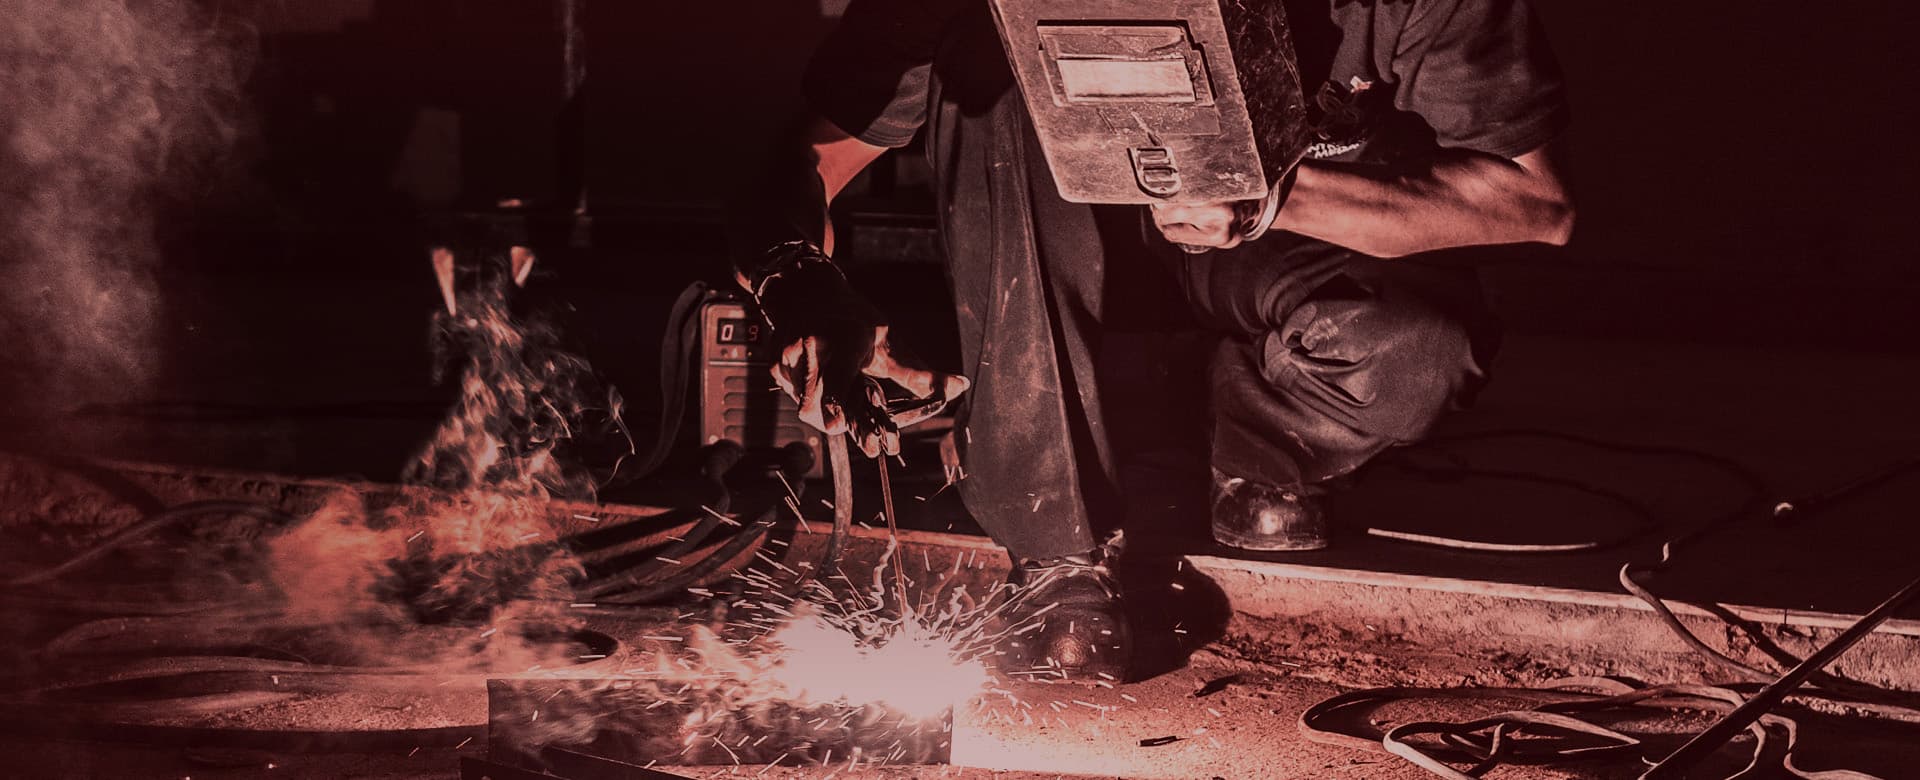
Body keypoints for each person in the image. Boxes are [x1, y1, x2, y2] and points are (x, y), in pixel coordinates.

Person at [735, 0, 1573, 680]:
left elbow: (1534, 202)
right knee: (983, 58)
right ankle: (1057, 548)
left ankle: (1240, 441)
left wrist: (1268, 202)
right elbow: (800, 164)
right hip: (1073, 249)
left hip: (1288, 253)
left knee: (1412, 356)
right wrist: (801, 286)